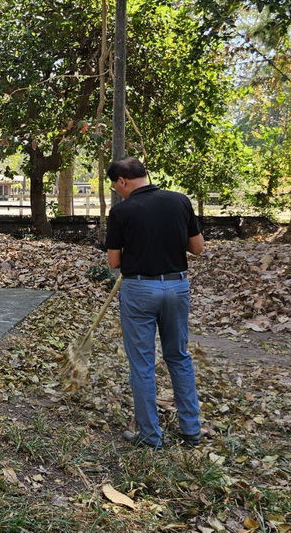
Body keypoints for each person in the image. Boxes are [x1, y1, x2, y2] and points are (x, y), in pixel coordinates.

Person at [105, 157, 205, 449]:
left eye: (114, 186)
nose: (116, 191)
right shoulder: (179, 201)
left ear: (122, 180)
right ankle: (192, 431)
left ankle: (150, 436)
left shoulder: (121, 211)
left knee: (142, 364)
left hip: (139, 289)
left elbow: (113, 261)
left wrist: (137, 248)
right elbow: (197, 248)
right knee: (179, 356)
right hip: (176, 286)